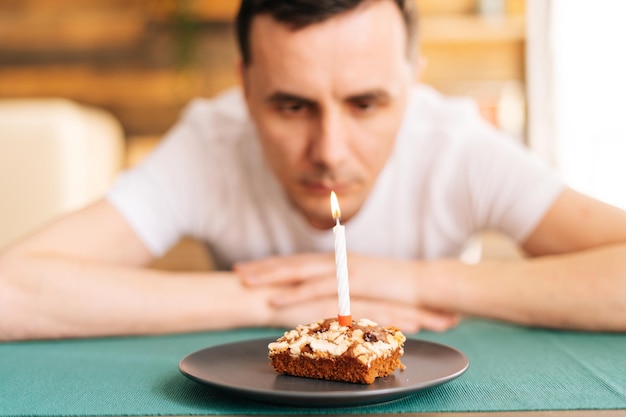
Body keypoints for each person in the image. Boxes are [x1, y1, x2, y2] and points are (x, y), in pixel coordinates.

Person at [2, 0, 626, 341]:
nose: (328, 150)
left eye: (366, 104)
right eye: (291, 106)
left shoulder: (456, 145)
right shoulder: (211, 143)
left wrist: (417, 282)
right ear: (245, 89)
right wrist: (263, 300)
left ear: (411, 83)